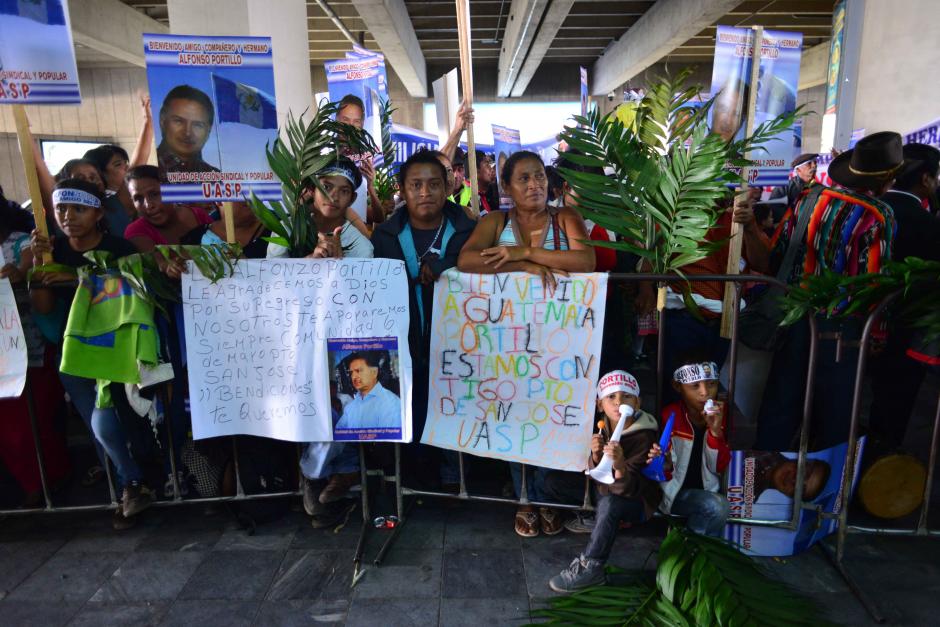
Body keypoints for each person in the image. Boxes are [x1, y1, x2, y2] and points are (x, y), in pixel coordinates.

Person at [458, 150, 594, 535]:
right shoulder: (494, 221)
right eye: (524, 179)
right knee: (512, 415)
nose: (534, 185)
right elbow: (467, 260)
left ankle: (546, 497)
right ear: (506, 186)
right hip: (507, 346)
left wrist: (527, 252)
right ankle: (524, 499)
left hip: (558, 345)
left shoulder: (564, 218)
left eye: (539, 177)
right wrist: (522, 267)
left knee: (549, 417)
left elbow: (587, 260)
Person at [755, 132, 900, 451]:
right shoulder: (878, 214)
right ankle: (828, 492)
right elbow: (871, 280)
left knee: (782, 401)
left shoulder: (809, 198)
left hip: (795, 317)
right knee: (835, 413)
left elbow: (778, 251)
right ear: (886, 179)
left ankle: (764, 484)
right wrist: (878, 333)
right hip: (842, 327)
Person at [28, 179, 149, 529]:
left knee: (109, 423)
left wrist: (78, 278)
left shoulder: (119, 249)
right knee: (100, 427)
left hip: (117, 348)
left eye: (78, 208)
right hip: (74, 355)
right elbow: (43, 304)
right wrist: (40, 265)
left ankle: (134, 482)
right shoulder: (54, 252)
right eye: (61, 209)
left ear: (98, 212)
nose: (68, 216)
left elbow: (134, 290)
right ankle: (127, 489)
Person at [266, 158, 373, 527]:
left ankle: (318, 472)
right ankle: (334, 470)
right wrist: (309, 264)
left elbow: (365, 284)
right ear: (312, 189)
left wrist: (339, 267)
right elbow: (271, 277)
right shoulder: (288, 229)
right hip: (295, 336)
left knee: (342, 403)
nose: (335, 196)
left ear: (352, 197)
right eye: (328, 187)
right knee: (311, 404)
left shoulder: (355, 237)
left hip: (342, 336)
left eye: (344, 191)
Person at [372, 150, 476, 490]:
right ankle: (416, 482)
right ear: (402, 188)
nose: (425, 192)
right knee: (414, 407)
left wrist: (447, 265)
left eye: (433, 184)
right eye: (415, 184)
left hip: (458, 341)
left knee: (456, 404)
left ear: (447, 186)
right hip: (407, 340)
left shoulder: (468, 229)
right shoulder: (386, 235)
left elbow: (478, 261)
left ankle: (456, 479)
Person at [548, 369, 662, 592]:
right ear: (600, 405)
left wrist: (619, 465)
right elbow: (595, 473)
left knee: (610, 504)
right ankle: (601, 520)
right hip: (604, 488)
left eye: (626, 396)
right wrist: (595, 456)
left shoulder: (645, 436)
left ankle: (592, 566)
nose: (618, 402)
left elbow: (626, 489)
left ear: (637, 403)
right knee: (554, 482)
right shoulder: (602, 425)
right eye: (611, 397)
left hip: (633, 498)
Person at [867, 143, 940, 457]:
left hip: (850, 325)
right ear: (926, 179)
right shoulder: (927, 224)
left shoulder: (870, 209)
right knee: (893, 402)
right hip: (904, 330)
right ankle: (877, 465)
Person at [0, 200, 69, 506]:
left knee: (31, 426)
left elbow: (36, 275)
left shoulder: (24, 243)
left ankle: (46, 481)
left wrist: (21, 273)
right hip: (3, 358)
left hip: (31, 351)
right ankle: (32, 481)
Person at [649, 357, 732, 537]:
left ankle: (690, 547)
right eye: (695, 386)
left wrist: (715, 431)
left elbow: (719, 467)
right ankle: (691, 548)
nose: (705, 392)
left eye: (711, 384)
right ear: (678, 387)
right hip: (675, 494)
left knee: (716, 506)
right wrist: (665, 461)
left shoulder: (723, 415)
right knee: (717, 507)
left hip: (709, 492)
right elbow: (664, 473)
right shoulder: (670, 415)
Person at [123, 165, 213, 252]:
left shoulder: (198, 215)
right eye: (138, 199)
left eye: (154, 194)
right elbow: (160, 264)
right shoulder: (136, 231)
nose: (148, 205)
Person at [335, 94, 390, 224]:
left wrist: (371, 186)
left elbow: (378, 218)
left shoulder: (368, 157)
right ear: (336, 120)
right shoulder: (323, 152)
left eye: (356, 121)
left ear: (362, 124)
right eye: (345, 120)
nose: (350, 126)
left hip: (358, 231)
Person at [157, 85, 219, 176]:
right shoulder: (150, 169)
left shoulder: (215, 177)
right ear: (162, 121)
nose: (188, 133)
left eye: (197, 125)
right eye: (179, 121)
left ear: (209, 130)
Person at [334, 353, 402, 430]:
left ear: (374, 372)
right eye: (351, 372)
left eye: (358, 370)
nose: (353, 376)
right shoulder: (350, 408)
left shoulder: (392, 403)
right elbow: (339, 433)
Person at [180, 200, 269, 259]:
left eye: (251, 187)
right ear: (218, 200)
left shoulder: (278, 232)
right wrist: (176, 269)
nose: (247, 195)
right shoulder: (194, 238)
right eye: (237, 189)